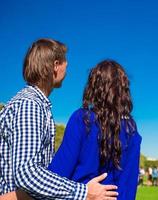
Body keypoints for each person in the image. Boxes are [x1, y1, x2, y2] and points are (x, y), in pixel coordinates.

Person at [0, 39, 118, 200]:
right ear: (56, 65)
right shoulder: (30, 105)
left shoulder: (35, 104)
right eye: (65, 66)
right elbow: (27, 174)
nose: (66, 72)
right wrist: (84, 192)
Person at [48, 60, 142, 200]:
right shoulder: (131, 129)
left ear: (93, 87)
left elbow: (58, 173)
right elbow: (129, 184)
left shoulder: (81, 119)